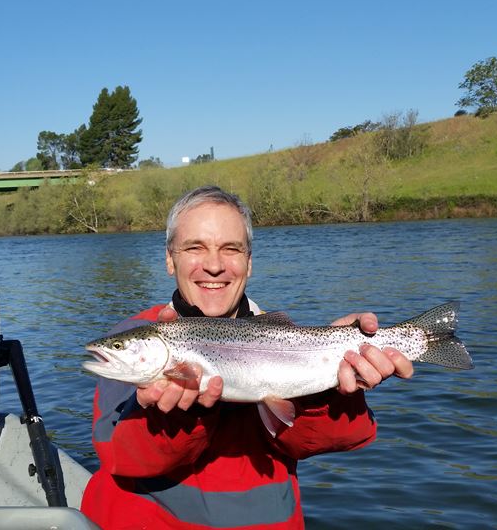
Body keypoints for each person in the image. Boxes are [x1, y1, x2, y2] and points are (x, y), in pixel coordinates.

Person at [80, 186, 414, 530]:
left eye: (231, 249)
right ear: (169, 259)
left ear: (249, 263)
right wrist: (172, 416)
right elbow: (121, 457)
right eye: (195, 247)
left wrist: (332, 383)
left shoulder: (289, 341)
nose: (213, 265)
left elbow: (338, 437)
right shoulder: (136, 330)